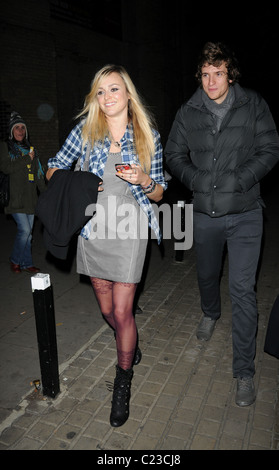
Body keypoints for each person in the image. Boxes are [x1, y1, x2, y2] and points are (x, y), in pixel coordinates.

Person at [46, 64, 167, 426]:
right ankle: (129, 343)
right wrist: (81, 181)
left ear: (128, 94)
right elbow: (52, 169)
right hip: (93, 230)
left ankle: (123, 380)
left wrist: (144, 178)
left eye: (113, 89)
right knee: (107, 311)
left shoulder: (147, 137)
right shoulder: (86, 132)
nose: (106, 97)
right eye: (100, 92)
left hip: (130, 230)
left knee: (124, 311)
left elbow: (160, 194)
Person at [165, 42, 279, 407]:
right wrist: (196, 179)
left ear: (230, 74)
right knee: (207, 275)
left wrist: (240, 179)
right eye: (205, 74)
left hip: (245, 212)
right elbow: (172, 154)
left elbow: (270, 149)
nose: (211, 81)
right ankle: (210, 313)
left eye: (218, 73)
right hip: (204, 214)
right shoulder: (189, 111)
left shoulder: (253, 104)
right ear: (199, 75)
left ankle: (244, 372)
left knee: (243, 291)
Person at [0, 112, 46, 273]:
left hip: (30, 199)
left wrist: (45, 194)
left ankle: (26, 263)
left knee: (29, 234)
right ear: (11, 131)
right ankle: (15, 260)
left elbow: (39, 174)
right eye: (17, 128)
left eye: (22, 128)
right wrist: (27, 159)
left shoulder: (32, 150)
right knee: (25, 231)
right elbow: (6, 167)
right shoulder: (5, 147)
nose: (20, 131)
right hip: (15, 199)